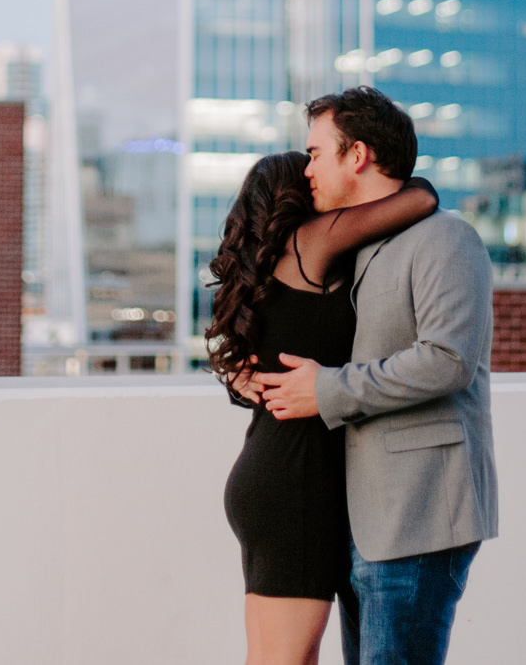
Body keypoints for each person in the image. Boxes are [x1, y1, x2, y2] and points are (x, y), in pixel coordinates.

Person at [254, 87, 497, 665]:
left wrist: (327, 389)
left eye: (316, 153)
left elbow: (448, 359)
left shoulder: (447, 238)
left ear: (356, 155)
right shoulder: (355, 246)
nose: (306, 167)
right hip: (359, 516)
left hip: (417, 512)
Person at [209, 150, 442, 665]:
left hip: (270, 474)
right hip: (298, 484)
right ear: (291, 193)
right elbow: (421, 197)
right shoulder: (311, 242)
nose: (317, 176)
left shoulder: (268, 267)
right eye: (308, 171)